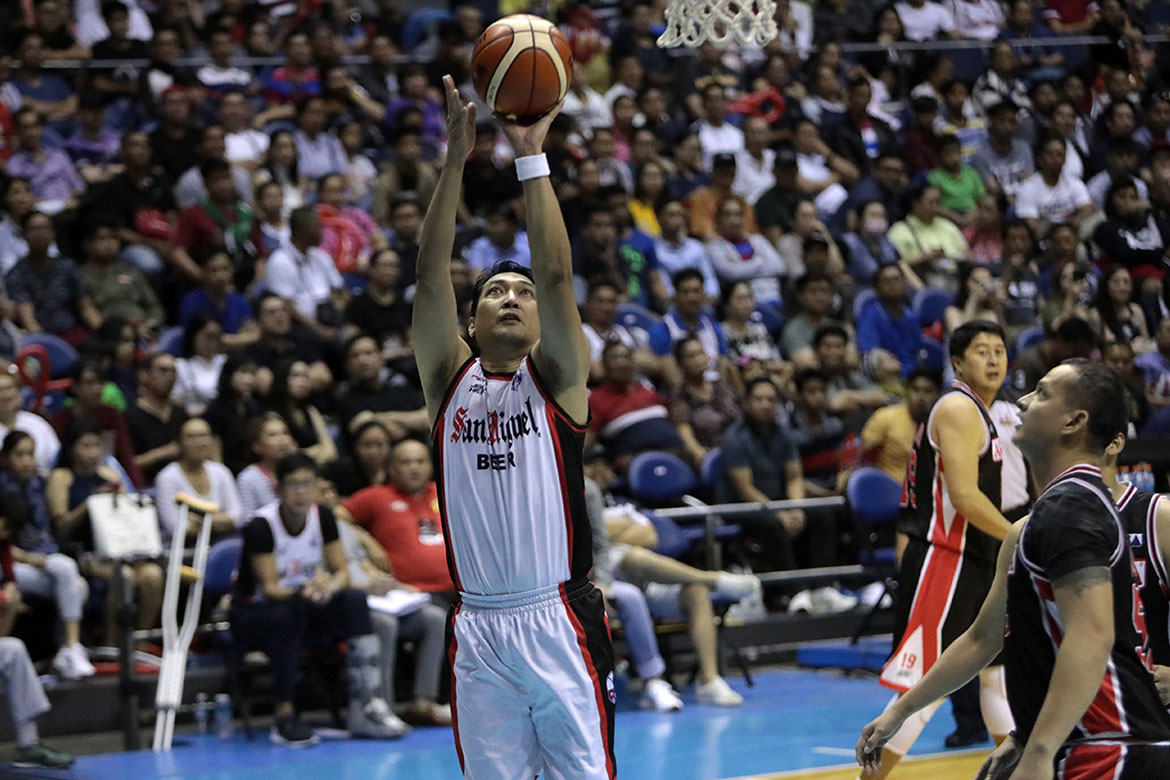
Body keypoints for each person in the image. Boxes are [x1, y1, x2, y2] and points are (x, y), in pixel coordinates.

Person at [412, 77, 615, 778]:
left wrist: (531, 155)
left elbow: (558, 277)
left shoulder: (557, 379)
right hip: (478, 627)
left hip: (559, 617)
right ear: (470, 324)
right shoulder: (448, 383)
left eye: (521, 293)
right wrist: (454, 163)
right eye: (495, 290)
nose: (512, 297)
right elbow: (431, 276)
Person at [859, 359, 1170, 779]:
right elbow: (981, 638)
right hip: (1091, 740)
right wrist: (901, 710)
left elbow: (1091, 636)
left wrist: (1040, 750)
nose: (1021, 401)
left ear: (1075, 422)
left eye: (1041, 394)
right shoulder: (1042, 520)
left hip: (1108, 749)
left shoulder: (1075, 506)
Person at [864, 321, 1016, 780]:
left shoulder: (980, 410)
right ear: (957, 363)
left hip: (973, 557)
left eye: (1000, 350)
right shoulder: (957, 408)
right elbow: (965, 498)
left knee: (994, 676)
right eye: (981, 351)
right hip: (945, 558)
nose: (993, 359)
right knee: (922, 688)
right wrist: (1019, 536)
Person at [232, 453, 407, 746]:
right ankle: (284, 715)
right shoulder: (261, 526)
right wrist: (306, 591)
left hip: (304, 606)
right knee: (287, 615)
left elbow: (342, 573)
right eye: (293, 485)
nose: (301, 492)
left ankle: (367, 704)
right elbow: (271, 588)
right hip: (256, 616)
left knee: (352, 599)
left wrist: (329, 587)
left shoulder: (323, 516)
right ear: (279, 490)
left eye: (307, 484)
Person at [335, 439, 454, 725]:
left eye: (420, 462)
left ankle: (423, 703)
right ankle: (385, 707)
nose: (413, 468)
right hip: (406, 593)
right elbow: (334, 517)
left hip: (454, 589)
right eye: (405, 462)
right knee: (440, 615)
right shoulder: (376, 496)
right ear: (391, 468)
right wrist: (366, 539)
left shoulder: (444, 492)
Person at [0, 431, 92, 681]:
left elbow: (50, 531)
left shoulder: (39, 484)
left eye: (30, 454)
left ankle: (67, 651)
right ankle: (70, 649)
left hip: (42, 561)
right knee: (71, 577)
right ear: (6, 458)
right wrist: (27, 558)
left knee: (75, 582)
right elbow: (4, 542)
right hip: (11, 565)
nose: (26, 460)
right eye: (19, 454)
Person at [0, 495, 73, 768]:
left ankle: (29, 745)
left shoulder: (4, 548)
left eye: (9, 530)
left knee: (13, 650)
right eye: (3, 526)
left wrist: (8, 600)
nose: (5, 534)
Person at [153, 418, 242, 545]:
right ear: (179, 443)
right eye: (191, 437)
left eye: (204, 436)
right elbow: (176, 528)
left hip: (221, 543)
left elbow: (237, 517)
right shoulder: (167, 477)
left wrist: (197, 519)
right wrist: (221, 519)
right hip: (183, 550)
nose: (199, 442)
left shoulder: (221, 471)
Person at [859, 369, 942, 486]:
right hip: (887, 491)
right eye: (915, 390)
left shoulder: (943, 426)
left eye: (928, 391)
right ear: (907, 391)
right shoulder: (885, 418)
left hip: (928, 492)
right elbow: (863, 460)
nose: (921, 397)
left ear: (937, 395)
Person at [236, 413, 296, 520]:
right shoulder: (248, 478)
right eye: (272, 435)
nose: (282, 440)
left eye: (285, 433)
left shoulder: (300, 472)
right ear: (257, 446)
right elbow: (247, 521)